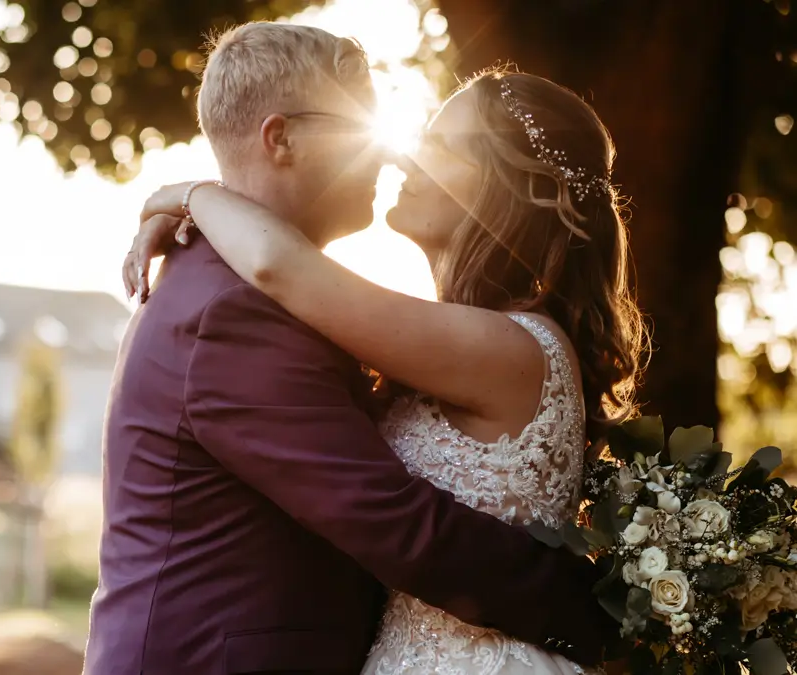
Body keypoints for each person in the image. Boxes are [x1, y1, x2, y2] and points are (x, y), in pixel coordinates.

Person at [89, 21, 619, 675]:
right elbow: (393, 520)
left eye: (437, 146)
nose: (393, 155)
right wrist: (591, 611)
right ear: (281, 138)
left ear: (501, 186)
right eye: (355, 126)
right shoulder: (235, 307)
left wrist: (189, 193)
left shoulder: (481, 340)